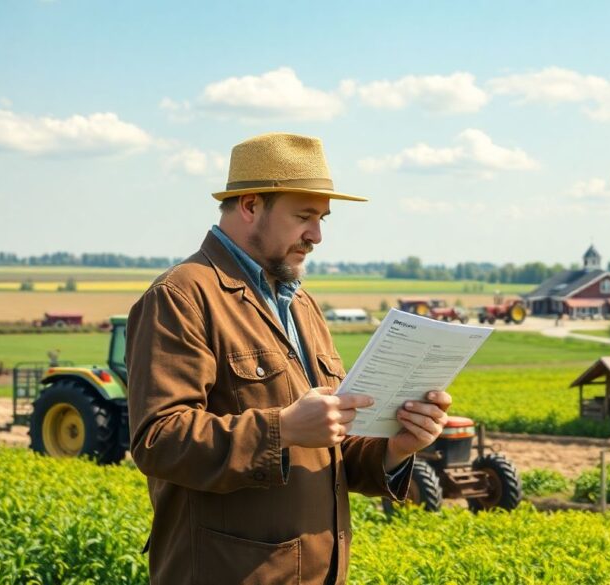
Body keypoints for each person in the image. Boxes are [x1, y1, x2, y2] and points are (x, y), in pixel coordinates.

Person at [125, 133, 452, 585]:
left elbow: (328, 444)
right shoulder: (181, 297)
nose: (317, 235)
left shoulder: (301, 304)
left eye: (321, 218)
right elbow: (159, 440)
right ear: (251, 205)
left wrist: (397, 448)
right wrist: (283, 429)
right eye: (304, 216)